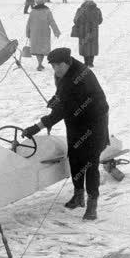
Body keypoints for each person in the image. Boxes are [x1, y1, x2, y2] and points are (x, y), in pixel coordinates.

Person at [21, 47, 109, 220]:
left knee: (91, 164)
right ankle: (78, 195)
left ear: (68, 62)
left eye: (58, 65)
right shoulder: (62, 74)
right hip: (75, 122)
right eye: (53, 66)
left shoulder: (81, 77)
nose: (56, 69)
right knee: (75, 158)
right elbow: (63, 96)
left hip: (94, 122)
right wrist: (56, 98)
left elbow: (61, 111)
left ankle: (92, 204)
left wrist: (37, 126)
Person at [26, 0, 61, 70]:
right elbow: (52, 22)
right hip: (44, 33)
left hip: (34, 33)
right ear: (44, 1)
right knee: (42, 48)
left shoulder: (33, 12)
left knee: (37, 49)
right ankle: (40, 64)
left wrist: (27, 32)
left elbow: (29, 23)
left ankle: (39, 63)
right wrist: (56, 31)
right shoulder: (47, 11)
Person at [72, 0, 103, 67]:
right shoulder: (97, 10)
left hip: (83, 31)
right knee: (93, 45)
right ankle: (91, 62)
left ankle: (86, 62)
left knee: (85, 45)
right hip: (94, 31)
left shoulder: (81, 10)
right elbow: (100, 20)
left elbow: (76, 20)